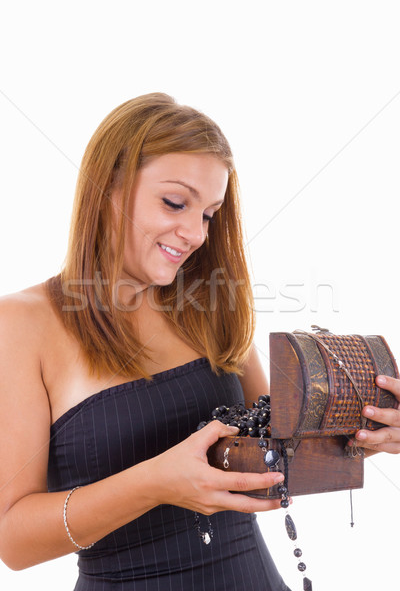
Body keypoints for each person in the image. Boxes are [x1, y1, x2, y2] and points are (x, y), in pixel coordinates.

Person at [0, 93, 399, 591]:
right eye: (174, 202)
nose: (194, 233)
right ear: (108, 188)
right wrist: (153, 484)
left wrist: (364, 436)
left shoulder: (204, 305)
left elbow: (275, 454)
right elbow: (12, 541)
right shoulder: (22, 324)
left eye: (209, 214)